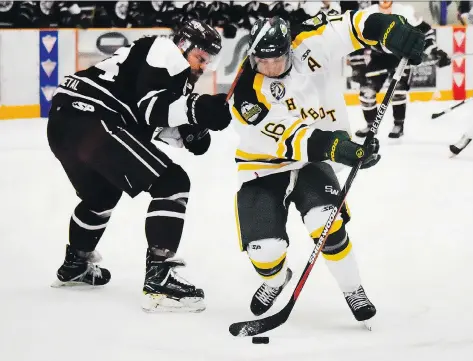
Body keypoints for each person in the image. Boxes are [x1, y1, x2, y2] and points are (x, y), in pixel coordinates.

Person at [228, 11, 424, 323]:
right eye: (259, 61)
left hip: (312, 161)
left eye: (274, 60)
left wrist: (386, 29)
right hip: (263, 165)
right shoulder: (245, 91)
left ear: (289, 49)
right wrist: (337, 146)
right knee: (265, 251)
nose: (266, 67)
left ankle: (352, 288)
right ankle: (275, 280)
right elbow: (284, 137)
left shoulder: (309, 42)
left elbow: (352, 26)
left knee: (327, 223)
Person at [47, 19, 231, 312]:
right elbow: (151, 108)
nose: (203, 67)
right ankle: (160, 281)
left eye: (209, 61)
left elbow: (150, 120)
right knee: (172, 182)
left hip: (65, 120)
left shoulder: (156, 65)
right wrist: (198, 108)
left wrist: (191, 132)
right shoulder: (165, 50)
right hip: (92, 119)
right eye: (201, 57)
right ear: (184, 45)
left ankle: (75, 264)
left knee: (101, 196)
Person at [354, 1, 451, 139]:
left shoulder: (404, 11)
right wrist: (357, 65)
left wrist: (435, 51)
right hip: (378, 58)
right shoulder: (367, 13)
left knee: (398, 90)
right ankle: (371, 126)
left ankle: (398, 125)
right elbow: (356, 39)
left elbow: (425, 32)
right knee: (366, 92)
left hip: (400, 57)